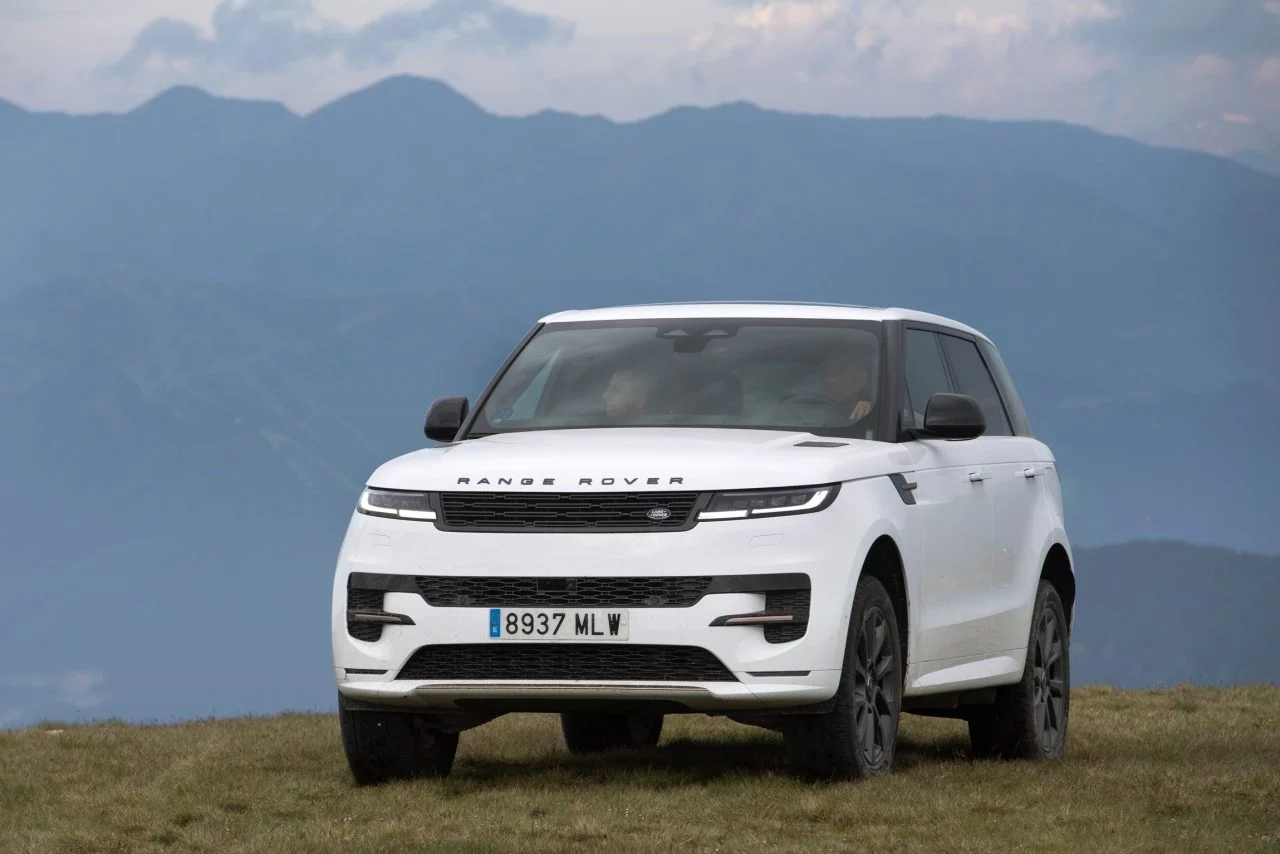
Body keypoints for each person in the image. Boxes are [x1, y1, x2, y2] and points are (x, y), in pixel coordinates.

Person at [820, 347, 876, 423]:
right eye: (829, 373)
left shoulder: (873, 410)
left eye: (841, 371)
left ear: (862, 378)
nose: (832, 380)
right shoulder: (813, 408)